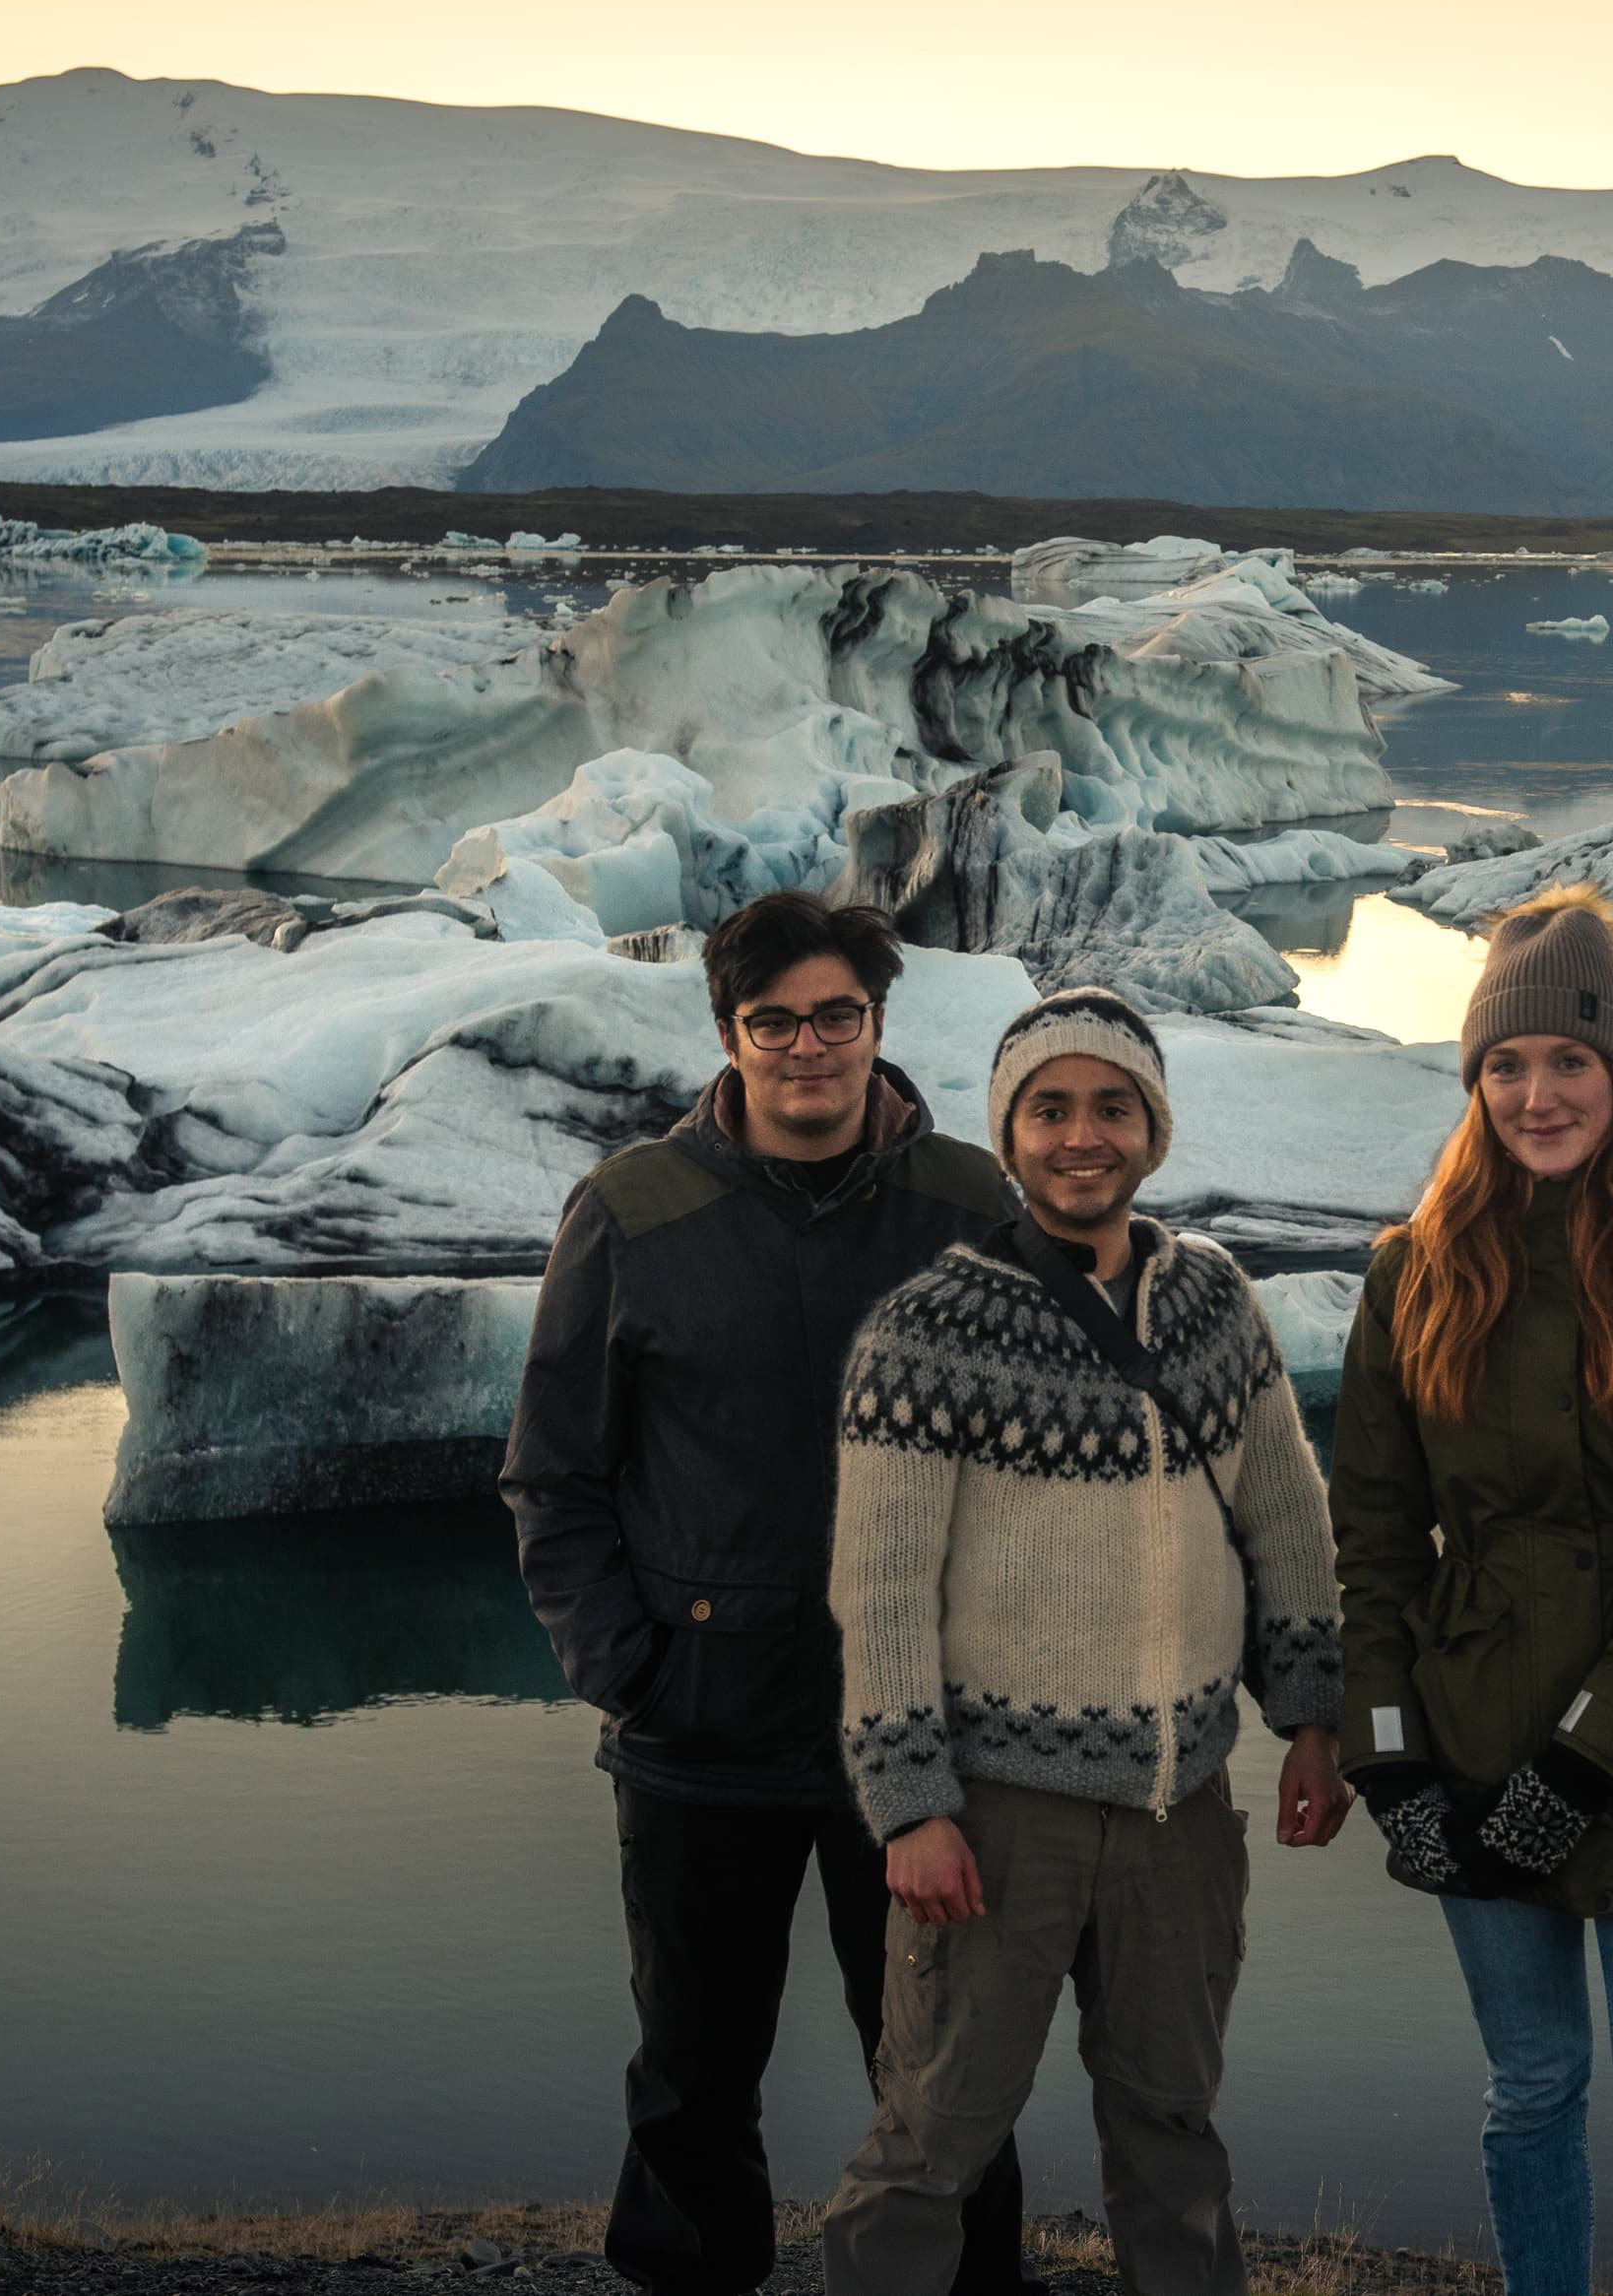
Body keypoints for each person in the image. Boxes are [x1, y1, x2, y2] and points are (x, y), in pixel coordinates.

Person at [500, 890, 1034, 2296]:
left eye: (837, 1016)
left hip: (922, 1748)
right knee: (692, 2073)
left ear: (878, 1024)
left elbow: (1042, 1468)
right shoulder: (632, 1212)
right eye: (775, 1021)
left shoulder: (971, 1205)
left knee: (942, 2069)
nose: (810, 1047)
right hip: (700, 1736)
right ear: (731, 1033)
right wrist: (634, 1669)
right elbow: (554, 1479)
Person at [820, 987, 1348, 2296]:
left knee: (1172, 2131)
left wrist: (1315, 1721)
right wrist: (908, 1807)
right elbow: (878, 1589)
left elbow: (1287, 1521)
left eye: (1111, 1106)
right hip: (999, 1819)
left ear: (1151, 1129)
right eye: (1048, 1108)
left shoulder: (1215, 1304)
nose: (1080, 1136)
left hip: (1180, 1810)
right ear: (1008, 1133)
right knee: (931, 2140)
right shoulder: (927, 1329)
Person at [1329, 886, 1613, 2296]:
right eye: (1507, 1066)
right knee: (1531, 2093)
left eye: (1569, 1061)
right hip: (1473, 1748)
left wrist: (1593, 1757)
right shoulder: (1413, 1274)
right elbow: (1378, 1545)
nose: (1538, 1094)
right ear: (1477, 1083)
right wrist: (1391, 1764)